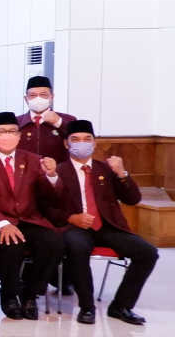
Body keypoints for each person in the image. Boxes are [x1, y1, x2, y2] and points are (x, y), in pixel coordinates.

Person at [52, 120, 154, 325]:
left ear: (94, 143)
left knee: (148, 252)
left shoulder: (106, 169)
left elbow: (133, 199)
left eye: (87, 139)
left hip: (108, 226)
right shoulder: (58, 171)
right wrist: (71, 218)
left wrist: (122, 173)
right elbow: (47, 207)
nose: (82, 143)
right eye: (75, 139)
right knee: (77, 248)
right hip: (75, 226)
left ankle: (121, 306)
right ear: (66, 143)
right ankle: (87, 307)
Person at [0, 112, 62, 320]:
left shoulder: (34, 160)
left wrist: (52, 176)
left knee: (53, 242)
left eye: (12, 131)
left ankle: (30, 294)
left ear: (19, 135)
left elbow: (50, 196)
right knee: (10, 243)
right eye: (1, 132)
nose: (7, 136)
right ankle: (9, 294)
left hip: (29, 218)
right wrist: (2, 223)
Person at [18, 76, 76, 162]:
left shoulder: (68, 119)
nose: (38, 98)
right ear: (26, 99)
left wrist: (59, 122)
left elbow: (78, 141)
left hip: (58, 169)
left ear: (51, 97)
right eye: (33, 95)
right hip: (25, 170)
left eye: (43, 95)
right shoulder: (17, 122)